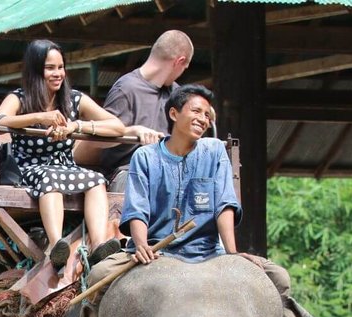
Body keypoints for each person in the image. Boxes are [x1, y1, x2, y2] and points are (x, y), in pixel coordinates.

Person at [0, 40, 159, 271]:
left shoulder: (74, 99)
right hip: (31, 168)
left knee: (97, 180)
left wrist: (76, 126)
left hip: (66, 165)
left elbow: (117, 126)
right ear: (36, 70)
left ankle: (99, 245)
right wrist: (39, 118)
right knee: (51, 179)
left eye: (61, 67)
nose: (58, 73)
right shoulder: (19, 98)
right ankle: (56, 244)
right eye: (50, 68)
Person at [120, 84, 292, 294]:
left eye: (207, 115)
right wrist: (141, 246)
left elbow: (224, 204)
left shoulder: (215, 150)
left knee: (279, 278)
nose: (203, 119)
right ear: (174, 113)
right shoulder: (145, 156)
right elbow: (137, 209)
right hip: (158, 249)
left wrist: (232, 252)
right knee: (99, 274)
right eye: (196, 111)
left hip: (207, 252)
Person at [74, 30, 193, 180]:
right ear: (179, 62)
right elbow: (96, 140)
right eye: (184, 68)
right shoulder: (126, 89)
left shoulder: (176, 93)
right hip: (128, 172)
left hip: (169, 172)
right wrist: (134, 131)